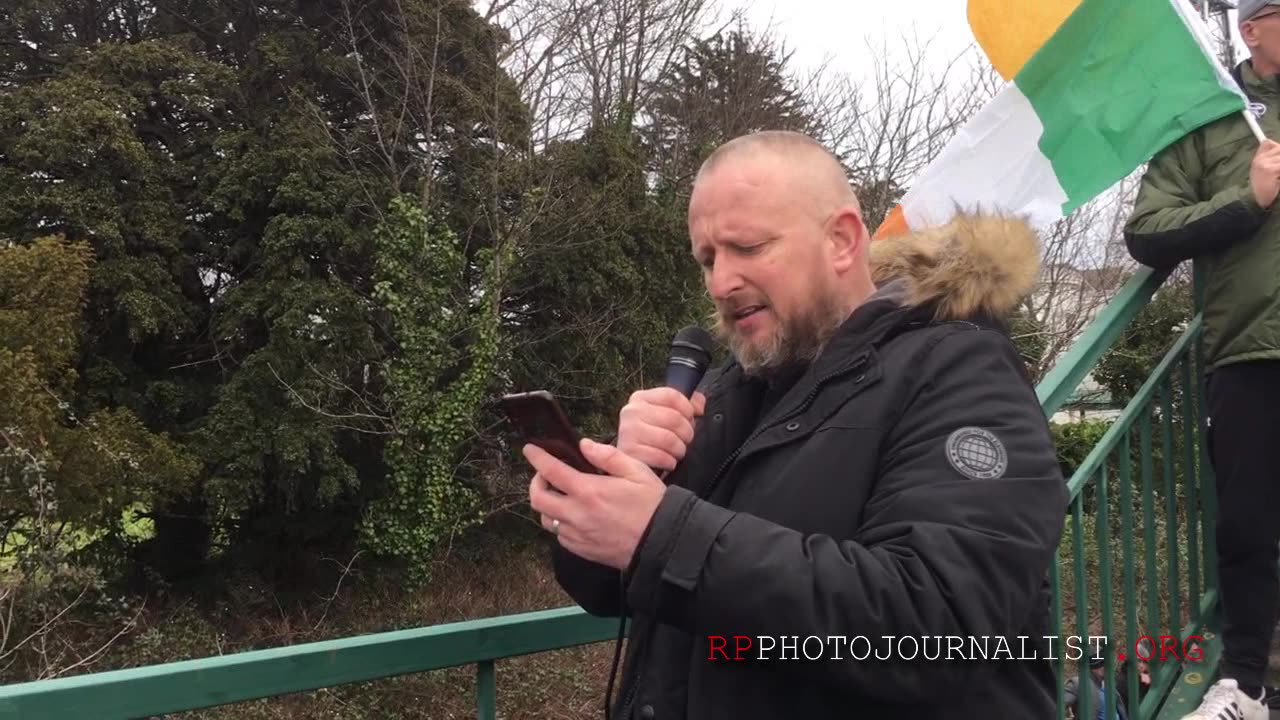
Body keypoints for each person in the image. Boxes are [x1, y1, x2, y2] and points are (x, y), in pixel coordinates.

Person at [524, 130, 1069, 719]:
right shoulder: (729, 391)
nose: (719, 282)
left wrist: (663, 533)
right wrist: (608, 487)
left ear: (840, 240)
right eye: (707, 259)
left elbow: (941, 630)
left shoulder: (961, 373)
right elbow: (610, 590)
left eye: (749, 247)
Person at [1124, 2, 1280, 718]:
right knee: (1247, 525)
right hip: (1251, 348)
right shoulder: (1209, 118)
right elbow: (1149, 231)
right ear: (1252, 29)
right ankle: (1246, 686)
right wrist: (1245, 198)